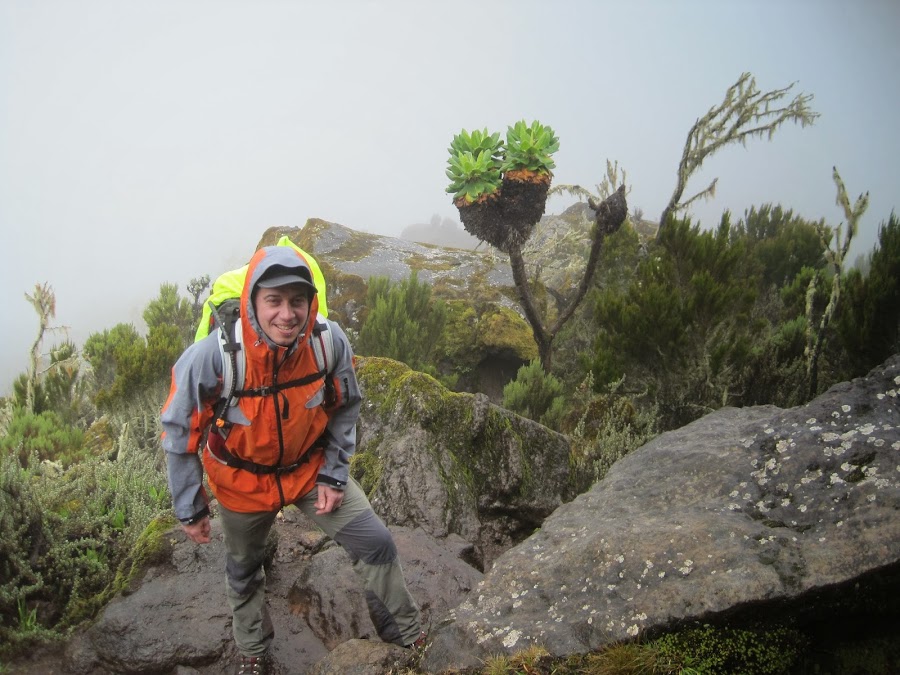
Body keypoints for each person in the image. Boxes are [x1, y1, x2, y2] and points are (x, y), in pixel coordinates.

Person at [161, 245, 423, 675]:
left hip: (308, 469)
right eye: (274, 301)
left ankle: (409, 635)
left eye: (297, 301)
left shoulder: (327, 342)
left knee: (375, 542)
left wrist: (334, 475)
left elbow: (347, 405)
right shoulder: (215, 356)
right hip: (240, 481)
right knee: (244, 569)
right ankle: (253, 651)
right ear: (253, 303)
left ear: (310, 302)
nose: (287, 314)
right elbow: (178, 430)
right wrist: (190, 506)